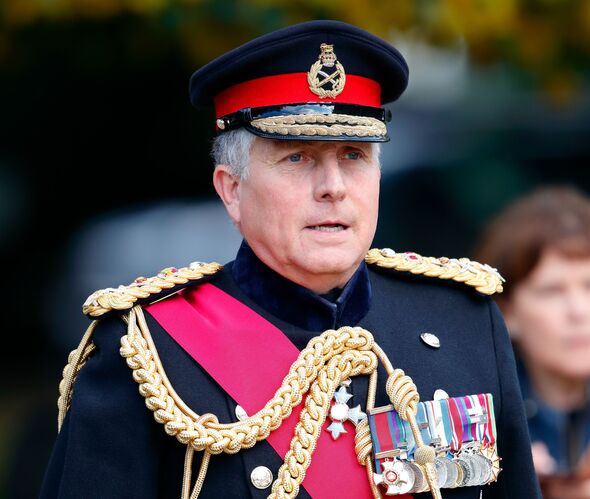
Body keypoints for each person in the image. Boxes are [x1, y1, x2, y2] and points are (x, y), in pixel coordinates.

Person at [40, 20, 540, 498]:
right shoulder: (150, 351)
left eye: (354, 155)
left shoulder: (463, 322)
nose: (333, 188)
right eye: (297, 158)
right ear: (231, 189)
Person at [475, 186, 590, 499]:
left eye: (589, 286)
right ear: (507, 312)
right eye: (552, 291)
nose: (579, 310)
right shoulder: (480, 421)